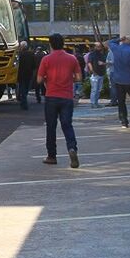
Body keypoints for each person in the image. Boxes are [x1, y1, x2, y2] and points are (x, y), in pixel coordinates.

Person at [37, 33, 81, 168]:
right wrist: (69, 80)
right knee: (67, 125)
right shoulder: (72, 58)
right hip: (66, 97)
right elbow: (79, 77)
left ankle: (51, 156)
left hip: (51, 96)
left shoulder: (46, 59)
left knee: (51, 127)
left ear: (50, 44)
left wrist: (46, 80)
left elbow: (39, 79)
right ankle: (72, 148)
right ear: (63, 43)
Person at [86, 42, 106, 109]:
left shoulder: (101, 54)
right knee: (94, 89)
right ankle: (93, 103)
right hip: (95, 74)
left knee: (99, 89)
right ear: (95, 47)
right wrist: (92, 71)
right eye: (98, 46)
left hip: (101, 73)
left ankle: (96, 103)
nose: (100, 48)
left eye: (100, 46)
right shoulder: (92, 54)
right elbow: (89, 63)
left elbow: (104, 63)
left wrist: (103, 64)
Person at [16, 41, 35, 111]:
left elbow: (18, 65)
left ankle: (24, 103)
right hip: (29, 74)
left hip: (21, 74)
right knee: (26, 88)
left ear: (21, 46)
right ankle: (23, 102)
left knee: (22, 88)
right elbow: (34, 65)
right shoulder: (31, 54)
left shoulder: (20, 54)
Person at [105, 40, 118, 106]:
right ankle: (114, 100)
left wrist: (105, 63)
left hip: (112, 71)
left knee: (113, 87)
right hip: (113, 71)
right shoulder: (114, 51)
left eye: (106, 44)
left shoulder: (111, 52)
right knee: (114, 86)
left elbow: (113, 61)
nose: (105, 46)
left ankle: (113, 101)